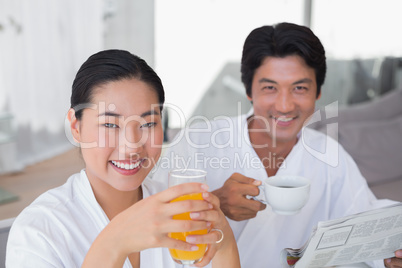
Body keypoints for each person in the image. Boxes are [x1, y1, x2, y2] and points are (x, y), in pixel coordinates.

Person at [152, 22, 402, 268]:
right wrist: (215, 203)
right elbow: (149, 221)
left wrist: (390, 256)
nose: (285, 105)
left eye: (300, 88)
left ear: (318, 93)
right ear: (249, 91)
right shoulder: (196, 142)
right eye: (270, 87)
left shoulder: (329, 154)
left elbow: (364, 217)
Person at [6, 49, 240, 268]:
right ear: (76, 127)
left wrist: (226, 244)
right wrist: (114, 242)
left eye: (148, 123)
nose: (132, 146)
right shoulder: (38, 231)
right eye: (109, 124)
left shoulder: (182, 211)